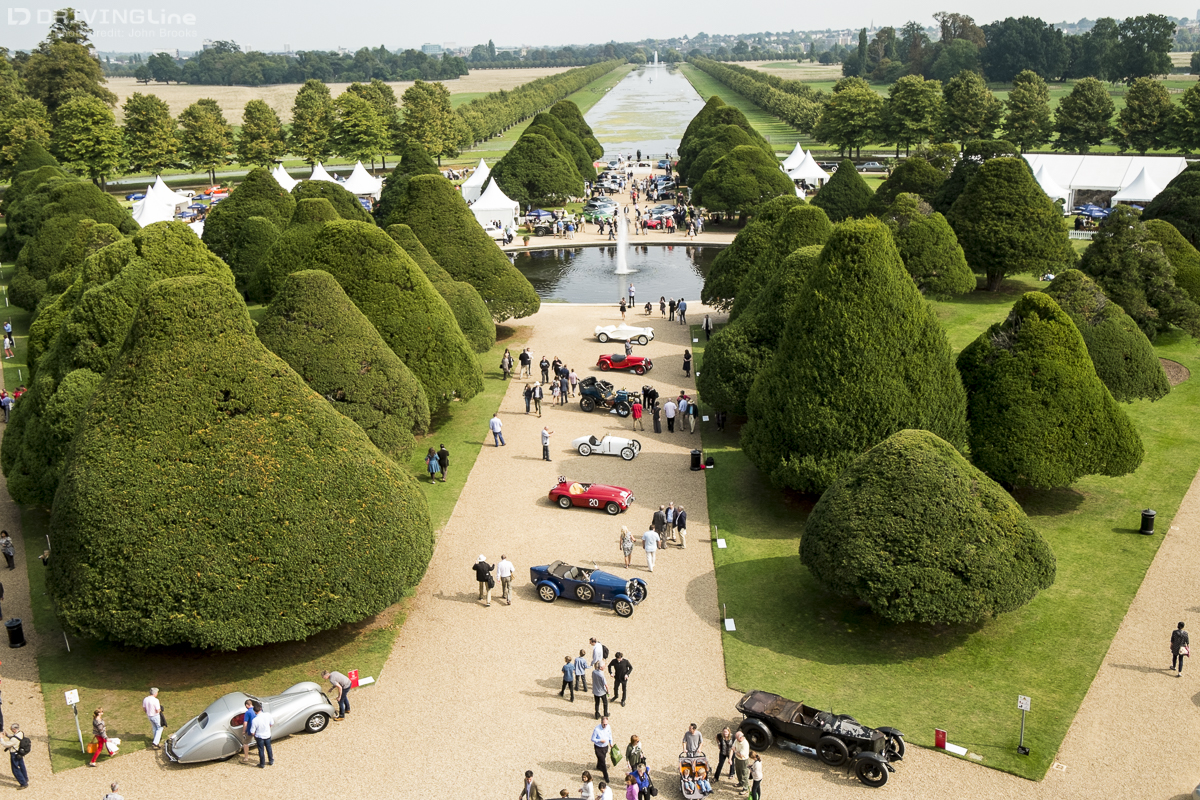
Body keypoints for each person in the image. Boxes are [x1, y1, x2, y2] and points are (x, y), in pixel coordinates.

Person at [250, 700, 274, 767]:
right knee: (269, 748)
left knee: (261, 750)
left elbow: (252, 732)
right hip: (267, 735)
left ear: (255, 712)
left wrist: (254, 735)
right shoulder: (268, 715)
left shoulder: (254, 720)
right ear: (260, 708)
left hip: (259, 736)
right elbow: (271, 723)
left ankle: (262, 763)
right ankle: (271, 760)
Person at [5, 723, 28, 788]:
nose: (11, 730)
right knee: (21, 765)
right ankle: (25, 778)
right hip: (19, 753)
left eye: (12, 729)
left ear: (14, 729)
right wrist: (8, 736)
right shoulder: (20, 733)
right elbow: (15, 737)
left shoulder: (14, 739)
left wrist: (1, 739)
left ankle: (23, 783)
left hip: (14, 754)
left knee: (15, 768)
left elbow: (6, 744)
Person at [591, 717, 613, 784]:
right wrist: (600, 740)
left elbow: (610, 735)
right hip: (598, 747)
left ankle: (598, 766)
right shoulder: (597, 729)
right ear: (601, 723)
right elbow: (592, 739)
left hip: (605, 747)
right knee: (603, 761)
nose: (605, 725)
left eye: (606, 724)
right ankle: (606, 776)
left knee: (602, 758)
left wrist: (611, 742)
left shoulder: (608, 727)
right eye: (604, 724)